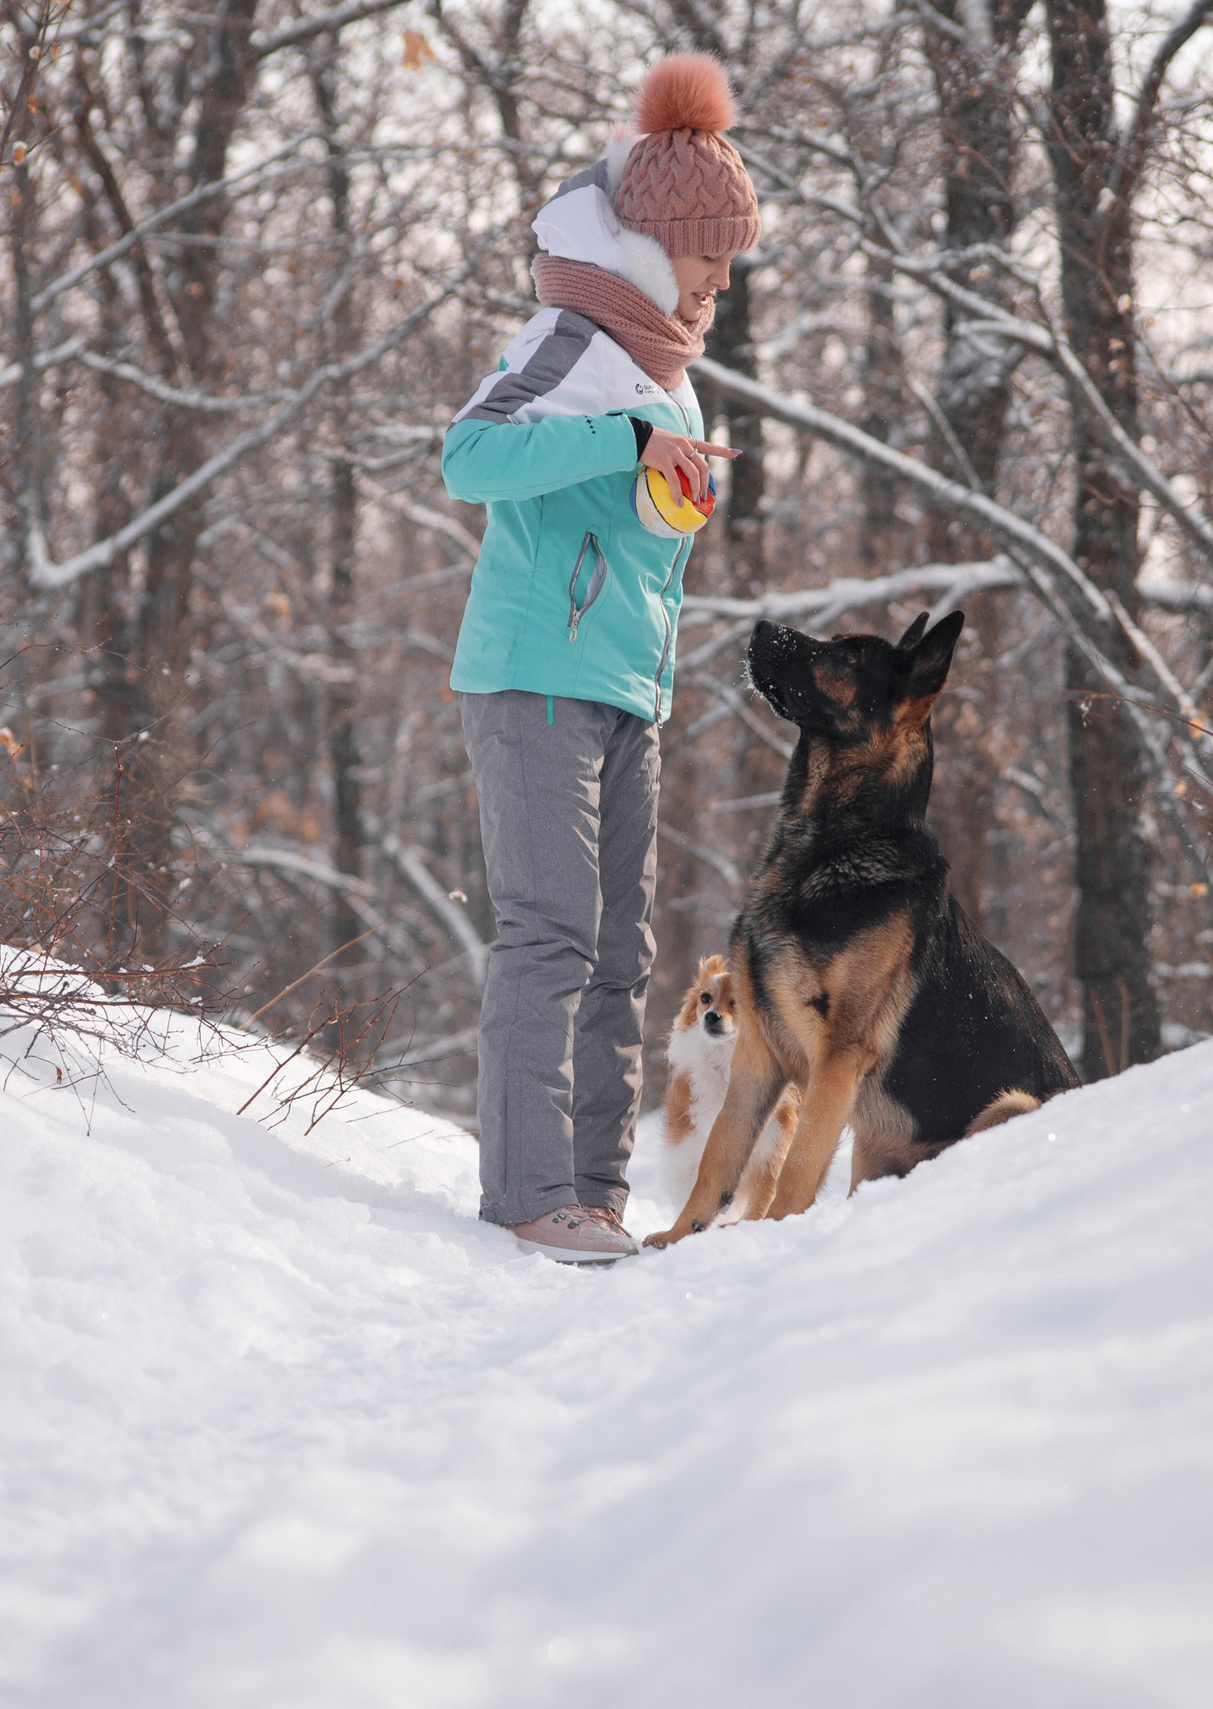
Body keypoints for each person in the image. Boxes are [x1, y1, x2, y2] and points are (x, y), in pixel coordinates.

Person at [443, 53, 758, 1263]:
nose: (719, 283)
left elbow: (623, 505)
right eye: (709, 258)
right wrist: (620, 440)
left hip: (627, 688)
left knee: (622, 949)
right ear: (653, 244)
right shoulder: (576, 340)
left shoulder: (664, 377)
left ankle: (592, 1192)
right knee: (551, 932)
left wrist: (666, 483)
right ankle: (529, 1194)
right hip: (533, 676)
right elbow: (469, 458)